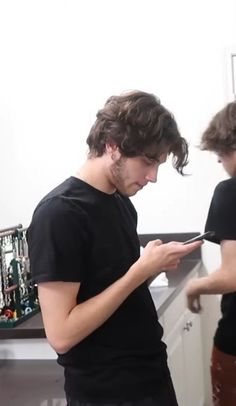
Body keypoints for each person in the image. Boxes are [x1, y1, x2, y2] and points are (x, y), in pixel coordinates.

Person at [27, 90, 201, 406]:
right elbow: (62, 335)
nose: (153, 177)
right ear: (112, 146)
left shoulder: (120, 202)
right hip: (106, 393)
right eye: (148, 162)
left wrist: (152, 267)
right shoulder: (59, 214)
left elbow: (112, 290)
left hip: (150, 377)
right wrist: (139, 272)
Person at [185, 101, 236, 406]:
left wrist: (195, 286)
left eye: (222, 153)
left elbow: (232, 276)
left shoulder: (229, 192)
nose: (220, 162)